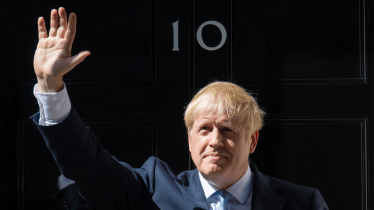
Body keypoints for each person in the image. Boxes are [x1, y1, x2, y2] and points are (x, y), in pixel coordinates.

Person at [32, 7, 329, 210]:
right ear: (190, 140)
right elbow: (87, 166)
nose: (215, 140)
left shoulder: (302, 202)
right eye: (204, 129)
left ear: (252, 140)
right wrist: (51, 85)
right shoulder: (151, 190)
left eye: (227, 130)